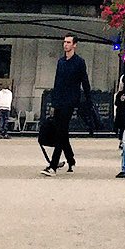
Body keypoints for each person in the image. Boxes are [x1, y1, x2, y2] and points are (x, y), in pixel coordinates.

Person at [40, 34, 91, 176]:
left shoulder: (79, 62)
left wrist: (88, 99)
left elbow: (84, 81)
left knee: (60, 131)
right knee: (61, 132)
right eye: (64, 42)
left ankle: (53, 165)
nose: (65, 45)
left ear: (74, 45)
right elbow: (57, 82)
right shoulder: (61, 62)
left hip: (70, 101)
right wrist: (54, 102)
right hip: (60, 100)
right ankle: (70, 159)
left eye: (68, 42)